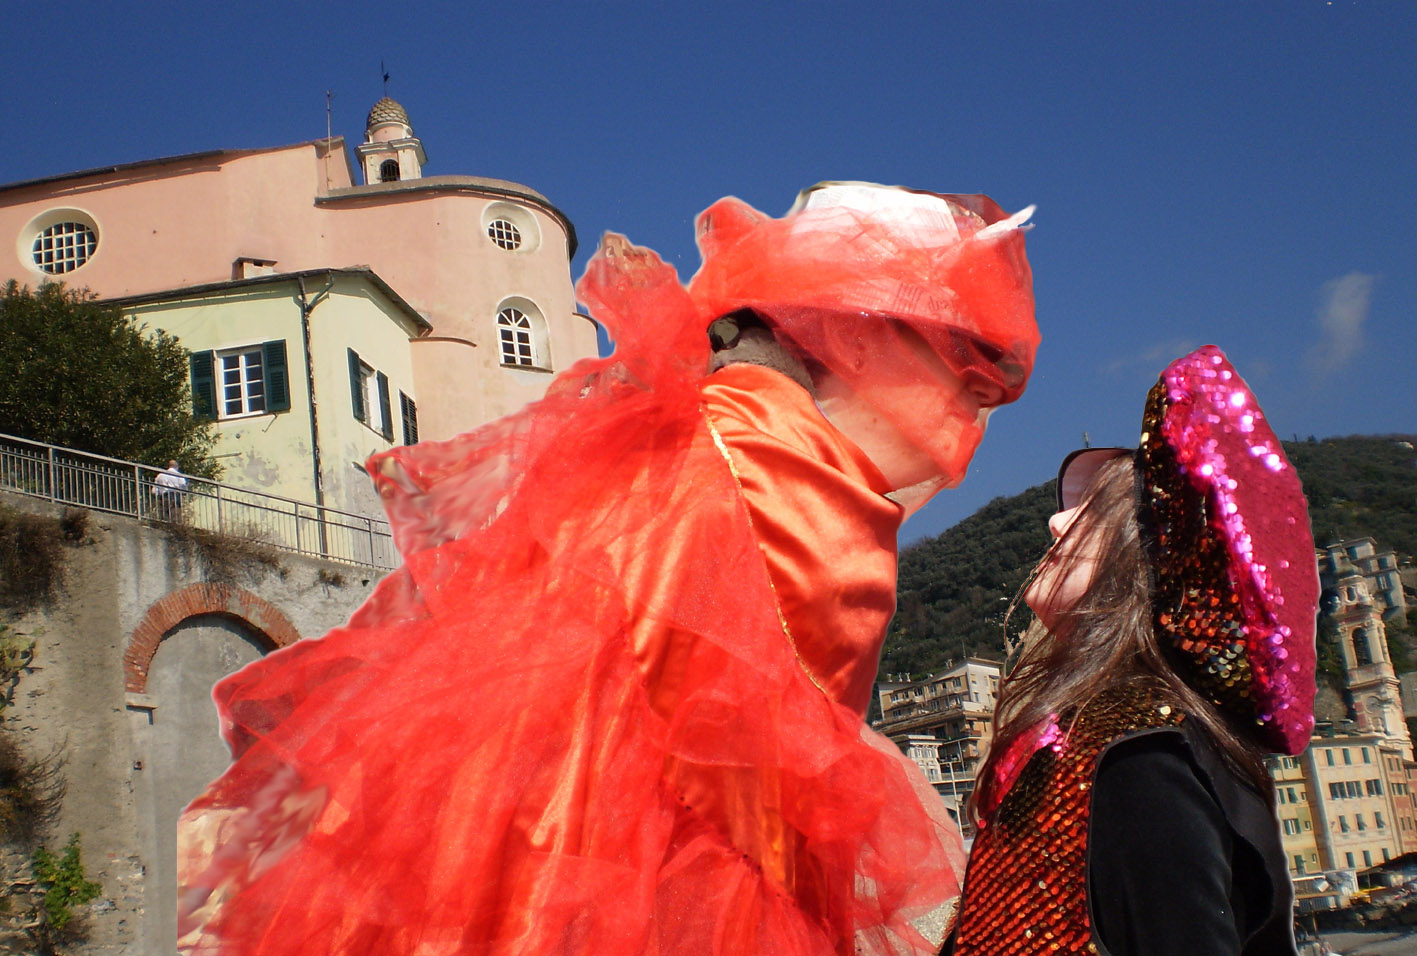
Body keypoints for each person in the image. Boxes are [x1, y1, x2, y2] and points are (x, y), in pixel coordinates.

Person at [176, 182, 1038, 956]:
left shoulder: (675, 439)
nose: (963, 401)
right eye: (946, 355)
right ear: (857, 332)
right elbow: (725, 763)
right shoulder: (771, 466)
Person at [948, 346, 1317, 955]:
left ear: (1150, 559)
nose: (1054, 525)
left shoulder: (1143, 756)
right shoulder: (1097, 737)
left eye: (1089, 512)